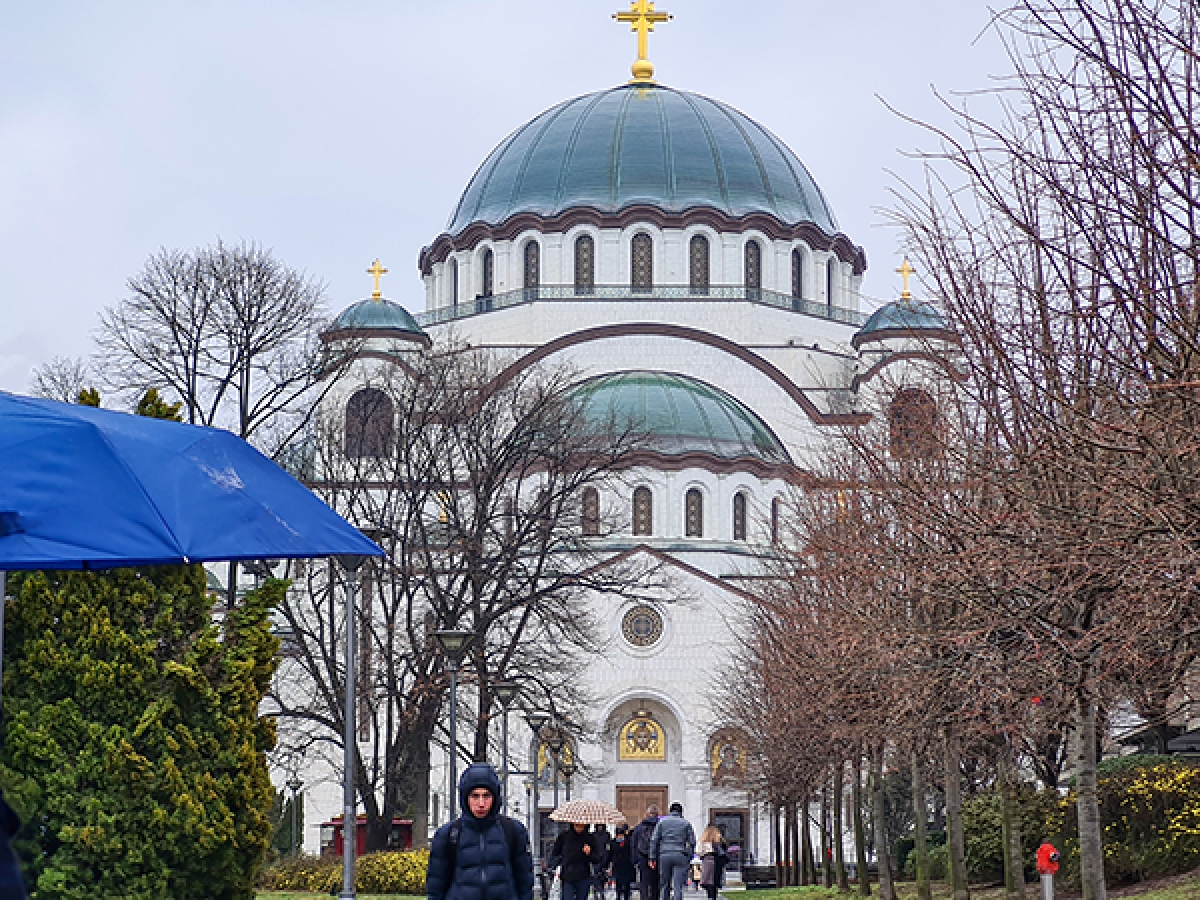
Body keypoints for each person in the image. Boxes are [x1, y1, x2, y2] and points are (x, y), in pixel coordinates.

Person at [428, 763, 534, 900]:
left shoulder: (513, 831)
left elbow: (525, 882)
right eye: (475, 796)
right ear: (465, 798)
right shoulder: (448, 835)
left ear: (495, 797)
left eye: (486, 796)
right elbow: (436, 886)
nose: (481, 803)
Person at [649, 803, 696, 900]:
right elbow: (692, 842)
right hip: (680, 854)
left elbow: (654, 840)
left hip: (664, 854)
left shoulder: (662, 823)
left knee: (665, 884)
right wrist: (689, 856)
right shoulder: (686, 824)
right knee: (677, 886)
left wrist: (652, 857)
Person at [549, 822, 599, 900]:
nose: (579, 828)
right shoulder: (564, 837)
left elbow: (596, 858)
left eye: (582, 825)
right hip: (567, 876)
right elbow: (555, 854)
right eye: (577, 825)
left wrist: (589, 853)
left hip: (583, 876)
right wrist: (555, 866)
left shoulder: (589, 838)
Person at [630, 805, 660, 900]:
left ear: (647, 814)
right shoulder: (661, 826)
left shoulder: (639, 828)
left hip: (642, 856)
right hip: (657, 857)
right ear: (657, 814)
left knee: (644, 882)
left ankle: (644, 897)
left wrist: (634, 860)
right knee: (656, 881)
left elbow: (634, 844)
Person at [697, 825, 728, 900]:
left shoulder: (703, 841)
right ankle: (713, 897)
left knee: (708, 883)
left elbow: (699, 851)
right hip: (717, 861)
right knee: (714, 883)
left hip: (707, 860)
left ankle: (710, 897)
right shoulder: (719, 841)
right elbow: (723, 851)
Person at [610, 824, 637, 900]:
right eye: (618, 836)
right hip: (617, 866)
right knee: (618, 883)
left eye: (621, 835)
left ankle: (626, 896)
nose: (619, 837)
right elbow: (610, 854)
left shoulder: (628, 842)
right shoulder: (613, 843)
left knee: (627, 883)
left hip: (627, 865)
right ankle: (618, 896)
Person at [593, 823, 612, 898]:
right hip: (596, 858)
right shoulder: (593, 835)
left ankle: (601, 890)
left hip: (604, 859)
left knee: (602, 877)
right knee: (596, 876)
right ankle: (597, 890)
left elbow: (608, 847)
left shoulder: (606, 835)